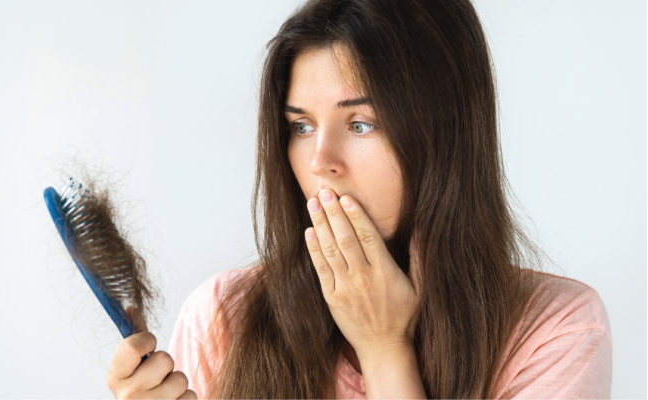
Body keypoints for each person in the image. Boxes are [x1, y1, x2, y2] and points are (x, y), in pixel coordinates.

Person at [107, 0, 612, 398]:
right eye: (300, 126)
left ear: (445, 136)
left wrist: (384, 351)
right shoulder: (222, 317)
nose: (319, 160)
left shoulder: (556, 329)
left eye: (361, 124)